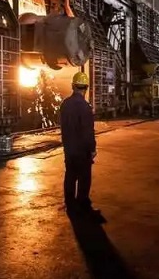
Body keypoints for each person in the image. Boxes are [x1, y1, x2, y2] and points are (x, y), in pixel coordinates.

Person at [60, 71, 97, 214]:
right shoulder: (85, 107)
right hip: (82, 151)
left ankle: (69, 203)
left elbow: (63, 127)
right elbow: (88, 132)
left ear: (72, 86)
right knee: (84, 177)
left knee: (70, 175)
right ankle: (82, 203)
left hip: (69, 149)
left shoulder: (65, 104)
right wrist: (92, 149)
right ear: (86, 88)